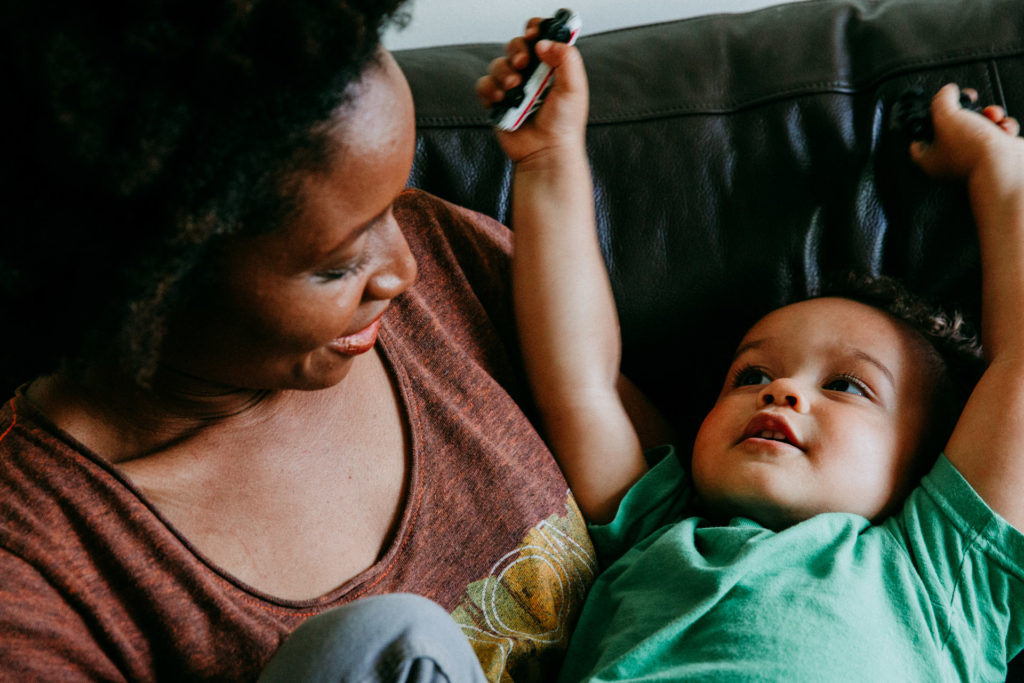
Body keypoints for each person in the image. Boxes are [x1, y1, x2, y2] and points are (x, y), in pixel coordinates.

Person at [0, 3, 671, 680]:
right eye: (338, 265)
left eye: (392, 201)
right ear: (149, 277)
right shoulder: (36, 560)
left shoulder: (444, 265)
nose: (402, 270)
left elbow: (680, 518)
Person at [476, 20, 1024, 681]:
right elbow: (582, 379)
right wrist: (546, 157)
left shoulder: (939, 573)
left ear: (930, 463)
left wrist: (999, 170)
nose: (782, 391)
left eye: (848, 386)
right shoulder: (656, 528)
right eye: (752, 372)